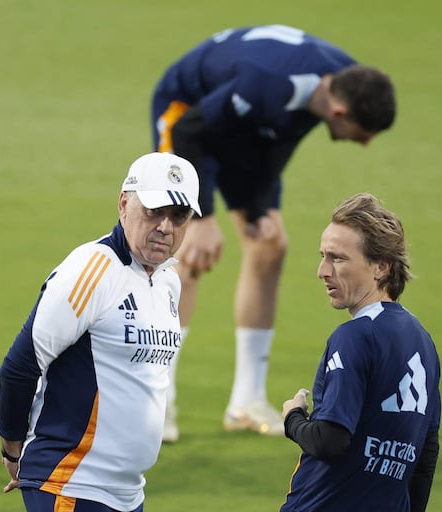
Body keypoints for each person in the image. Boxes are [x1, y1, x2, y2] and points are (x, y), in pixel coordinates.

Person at [151, 24, 397, 441]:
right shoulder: (267, 83)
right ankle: (159, 402)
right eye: (364, 135)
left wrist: (259, 204)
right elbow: (192, 130)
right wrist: (204, 218)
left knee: (270, 243)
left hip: (247, 128)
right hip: (190, 114)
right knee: (188, 252)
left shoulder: (344, 83)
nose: (364, 144)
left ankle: (246, 401)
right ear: (341, 114)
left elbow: (284, 137)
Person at [0, 152, 200, 511]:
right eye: (154, 211)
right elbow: (20, 365)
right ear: (124, 203)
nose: (166, 227)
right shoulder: (92, 271)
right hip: (71, 484)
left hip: (126, 493)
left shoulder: (168, 280)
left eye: (179, 216)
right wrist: (11, 448)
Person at [280, 193, 441, 511]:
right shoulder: (424, 343)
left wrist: (293, 418)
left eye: (337, 258)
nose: (322, 271)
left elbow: (330, 440)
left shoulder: (355, 335)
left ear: (381, 266)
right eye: (323, 256)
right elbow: (425, 454)